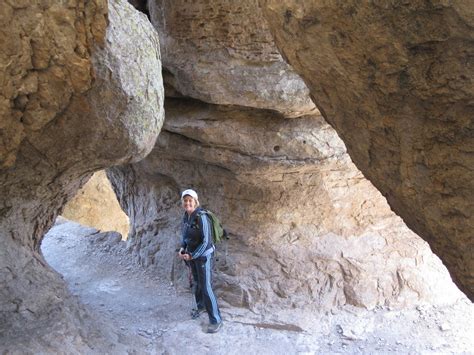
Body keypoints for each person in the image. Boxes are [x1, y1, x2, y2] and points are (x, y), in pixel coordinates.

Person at [178, 189, 223, 333]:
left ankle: (216, 320)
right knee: (196, 282)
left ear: (195, 201)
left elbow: (206, 242)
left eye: (190, 200)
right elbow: (185, 235)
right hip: (192, 256)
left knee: (206, 286)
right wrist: (182, 248)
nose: (187, 203)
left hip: (204, 257)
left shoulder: (202, 217)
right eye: (185, 200)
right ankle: (201, 306)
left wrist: (192, 255)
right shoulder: (186, 216)